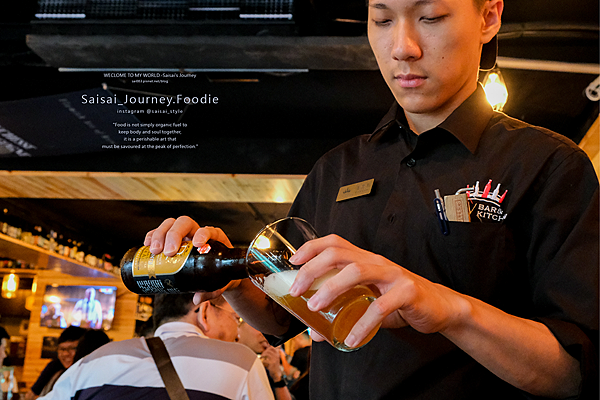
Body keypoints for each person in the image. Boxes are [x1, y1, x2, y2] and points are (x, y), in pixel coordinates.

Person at [144, 0, 599, 398]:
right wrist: (233, 277)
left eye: (431, 17)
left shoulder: (547, 164)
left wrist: (446, 307)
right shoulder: (338, 168)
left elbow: (575, 374)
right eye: (382, 19)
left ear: (489, 17)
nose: (403, 46)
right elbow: (288, 318)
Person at [38, 294, 274, 400]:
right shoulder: (242, 362)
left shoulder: (94, 361)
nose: (238, 329)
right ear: (204, 312)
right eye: (236, 318)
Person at [238, 318, 293, 400]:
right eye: (259, 327)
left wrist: (277, 377)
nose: (266, 335)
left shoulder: (267, 368)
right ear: (239, 325)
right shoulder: (230, 362)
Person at [26, 326, 86, 399]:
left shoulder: (87, 374)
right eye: (62, 349)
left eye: (72, 348)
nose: (65, 353)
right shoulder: (53, 367)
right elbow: (31, 394)